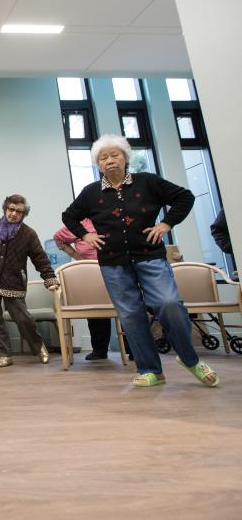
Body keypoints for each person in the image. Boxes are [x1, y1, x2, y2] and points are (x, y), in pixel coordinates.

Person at [62, 134, 219, 388]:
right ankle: (150, 370)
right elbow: (69, 216)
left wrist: (166, 224)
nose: (110, 160)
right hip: (113, 263)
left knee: (168, 303)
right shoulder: (91, 193)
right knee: (131, 315)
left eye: (115, 155)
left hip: (150, 257)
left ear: (125, 157)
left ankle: (190, 359)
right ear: (98, 164)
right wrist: (85, 234)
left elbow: (185, 197)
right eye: (103, 157)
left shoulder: (148, 182)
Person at [0, 195, 59, 368]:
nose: (14, 214)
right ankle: (3, 354)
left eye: (18, 211)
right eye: (11, 209)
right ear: (5, 209)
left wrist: (49, 278)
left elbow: (40, 259)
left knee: (23, 318)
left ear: (23, 214)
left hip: (13, 283)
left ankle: (39, 347)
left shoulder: (28, 234)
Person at [53, 218, 112, 360]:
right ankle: (100, 350)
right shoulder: (80, 223)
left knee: (126, 308)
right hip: (91, 275)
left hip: (115, 268)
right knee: (96, 312)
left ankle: (133, 349)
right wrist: (76, 256)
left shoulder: (110, 217)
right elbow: (58, 237)